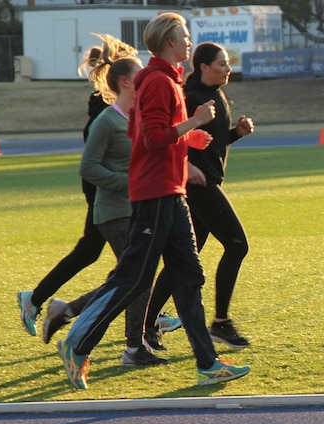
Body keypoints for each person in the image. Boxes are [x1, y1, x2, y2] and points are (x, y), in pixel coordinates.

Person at [56, 12, 251, 389]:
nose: (190, 42)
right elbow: (150, 139)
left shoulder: (164, 80)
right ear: (169, 43)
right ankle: (77, 342)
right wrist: (193, 123)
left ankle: (207, 363)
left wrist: (186, 143)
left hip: (170, 189)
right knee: (135, 277)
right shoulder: (160, 81)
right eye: (185, 36)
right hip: (157, 193)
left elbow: (140, 131)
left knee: (189, 275)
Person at [16, 34, 179, 339]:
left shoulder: (123, 104)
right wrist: (125, 182)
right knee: (132, 273)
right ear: (125, 79)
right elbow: (95, 158)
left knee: (107, 261)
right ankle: (125, 327)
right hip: (109, 196)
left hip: (121, 195)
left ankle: (51, 304)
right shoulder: (106, 109)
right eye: (139, 72)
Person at [144, 41, 254, 350]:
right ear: (204, 67)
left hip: (208, 183)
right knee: (237, 244)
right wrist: (188, 165)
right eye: (222, 64)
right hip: (198, 188)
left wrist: (236, 134)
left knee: (182, 260)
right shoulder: (190, 97)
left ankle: (147, 324)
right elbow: (168, 139)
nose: (228, 68)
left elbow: (210, 142)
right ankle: (220, 323)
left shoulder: (216, 95)